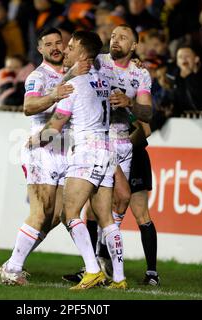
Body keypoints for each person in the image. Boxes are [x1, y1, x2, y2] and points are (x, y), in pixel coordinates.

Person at [30, 30, 127, 290]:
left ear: (83, 53)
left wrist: (35, 140)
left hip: (87, 152)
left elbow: (55, 127)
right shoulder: (104, 81)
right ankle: (119, 278)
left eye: (71, 46)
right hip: (107, 151)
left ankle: (93, 270)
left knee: (68, 213)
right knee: (106, 218)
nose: (66, 50)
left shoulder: (74, 85)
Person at [62, 24, 158, 286]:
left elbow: (148, 116)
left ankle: (107, 268)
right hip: (99, 139)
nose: (116, 40)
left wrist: (130, 103)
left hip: (121, 142)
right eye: (113, 36)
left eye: (123, 37)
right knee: (95, 211)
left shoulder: (140, 74)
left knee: (115, 207)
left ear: (135, 46)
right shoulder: (99, 61)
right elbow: (71, 73)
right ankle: (97, 266)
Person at [0, 28, 89, 286]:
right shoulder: (37, 77)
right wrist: (53, 96)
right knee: (40, 214)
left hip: (66, 148)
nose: (55, 47)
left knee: (57, 216)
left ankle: (13, 263)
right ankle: (13, 269)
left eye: (59, 42)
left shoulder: (70, 72)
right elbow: (28, 107)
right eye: (48, 44)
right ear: (40, 49)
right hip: (43, 150)